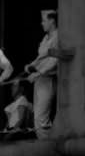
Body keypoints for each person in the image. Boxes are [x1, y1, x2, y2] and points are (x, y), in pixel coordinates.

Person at [26, 9, 70, 139]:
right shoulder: (45, 38)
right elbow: (41, 57)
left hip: (48, 79)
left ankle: (47, 147)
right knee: (37, 119)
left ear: (52, 20)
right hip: (40, 80)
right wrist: (31, 66)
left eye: (44, 20)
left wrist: (38, 72)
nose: (42, 23)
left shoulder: (58, 36)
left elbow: (54, 59)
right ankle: (46, 145)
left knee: (40, 119)